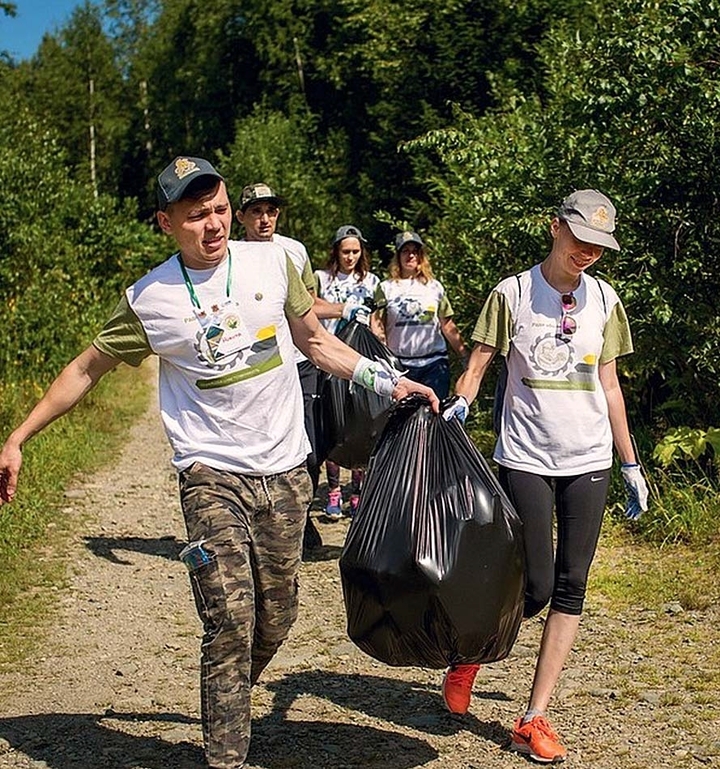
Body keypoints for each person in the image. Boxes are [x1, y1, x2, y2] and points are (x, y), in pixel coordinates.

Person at [0, 156, 439, 769]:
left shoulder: (272, 263)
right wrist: (18, 437)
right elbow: (84, 369)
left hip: (285, 469)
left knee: (276, 615)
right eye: (196, 214)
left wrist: (388, 380)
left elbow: (315, 342)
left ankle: (228, 691)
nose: (213, 223)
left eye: (220, 209)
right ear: (166, 222)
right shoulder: (149, 299)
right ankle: (225, 754)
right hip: (209, 473)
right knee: (230, 618)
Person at [441, 190, 649, 763]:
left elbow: (609, 385)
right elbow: (477, 367)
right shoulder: (511, 294)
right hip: (526, 457)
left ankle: (533, 717)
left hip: (589, 459)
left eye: (598, 247)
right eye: (580, 239)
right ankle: (469, 658)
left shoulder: (605, 300)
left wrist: (630, 462)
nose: (588, 253)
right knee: (534, 585)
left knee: (571, 585)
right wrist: (461, 404)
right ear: (555, 227)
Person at [235, 183, 342, 552]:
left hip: (300, 361)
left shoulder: (294, 251)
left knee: (308, 446)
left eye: (271, 211)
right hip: (258, 364)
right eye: (256, 212)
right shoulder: (232, 257)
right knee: (259, 442)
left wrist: (343, 310)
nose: (264, 219)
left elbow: (309, 304)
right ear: (241, 217)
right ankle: (257, 518)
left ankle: (300, 517)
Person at [314, 224, 380, 519]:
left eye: (355, 251)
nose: (350, 257)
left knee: (360, 426)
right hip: (330, 357)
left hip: (361, 359)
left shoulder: (371, 281)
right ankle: (333, 490)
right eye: (345, 252)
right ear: (336, 252)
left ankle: (357, 491)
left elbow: (377, 322)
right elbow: (312, 309)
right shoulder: (322, 278)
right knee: (335, 425)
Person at [373, 230, 469, 399]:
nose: (410, 256)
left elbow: (447, 325)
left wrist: (465, 356)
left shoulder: (435, 287)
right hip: (399, 366)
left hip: (433, 364)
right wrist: (383, 357)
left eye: (414, 251)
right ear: (398, 256)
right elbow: (377, 324)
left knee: (434, 410)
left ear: (421, 256)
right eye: (405, 251)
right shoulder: (386, 287)